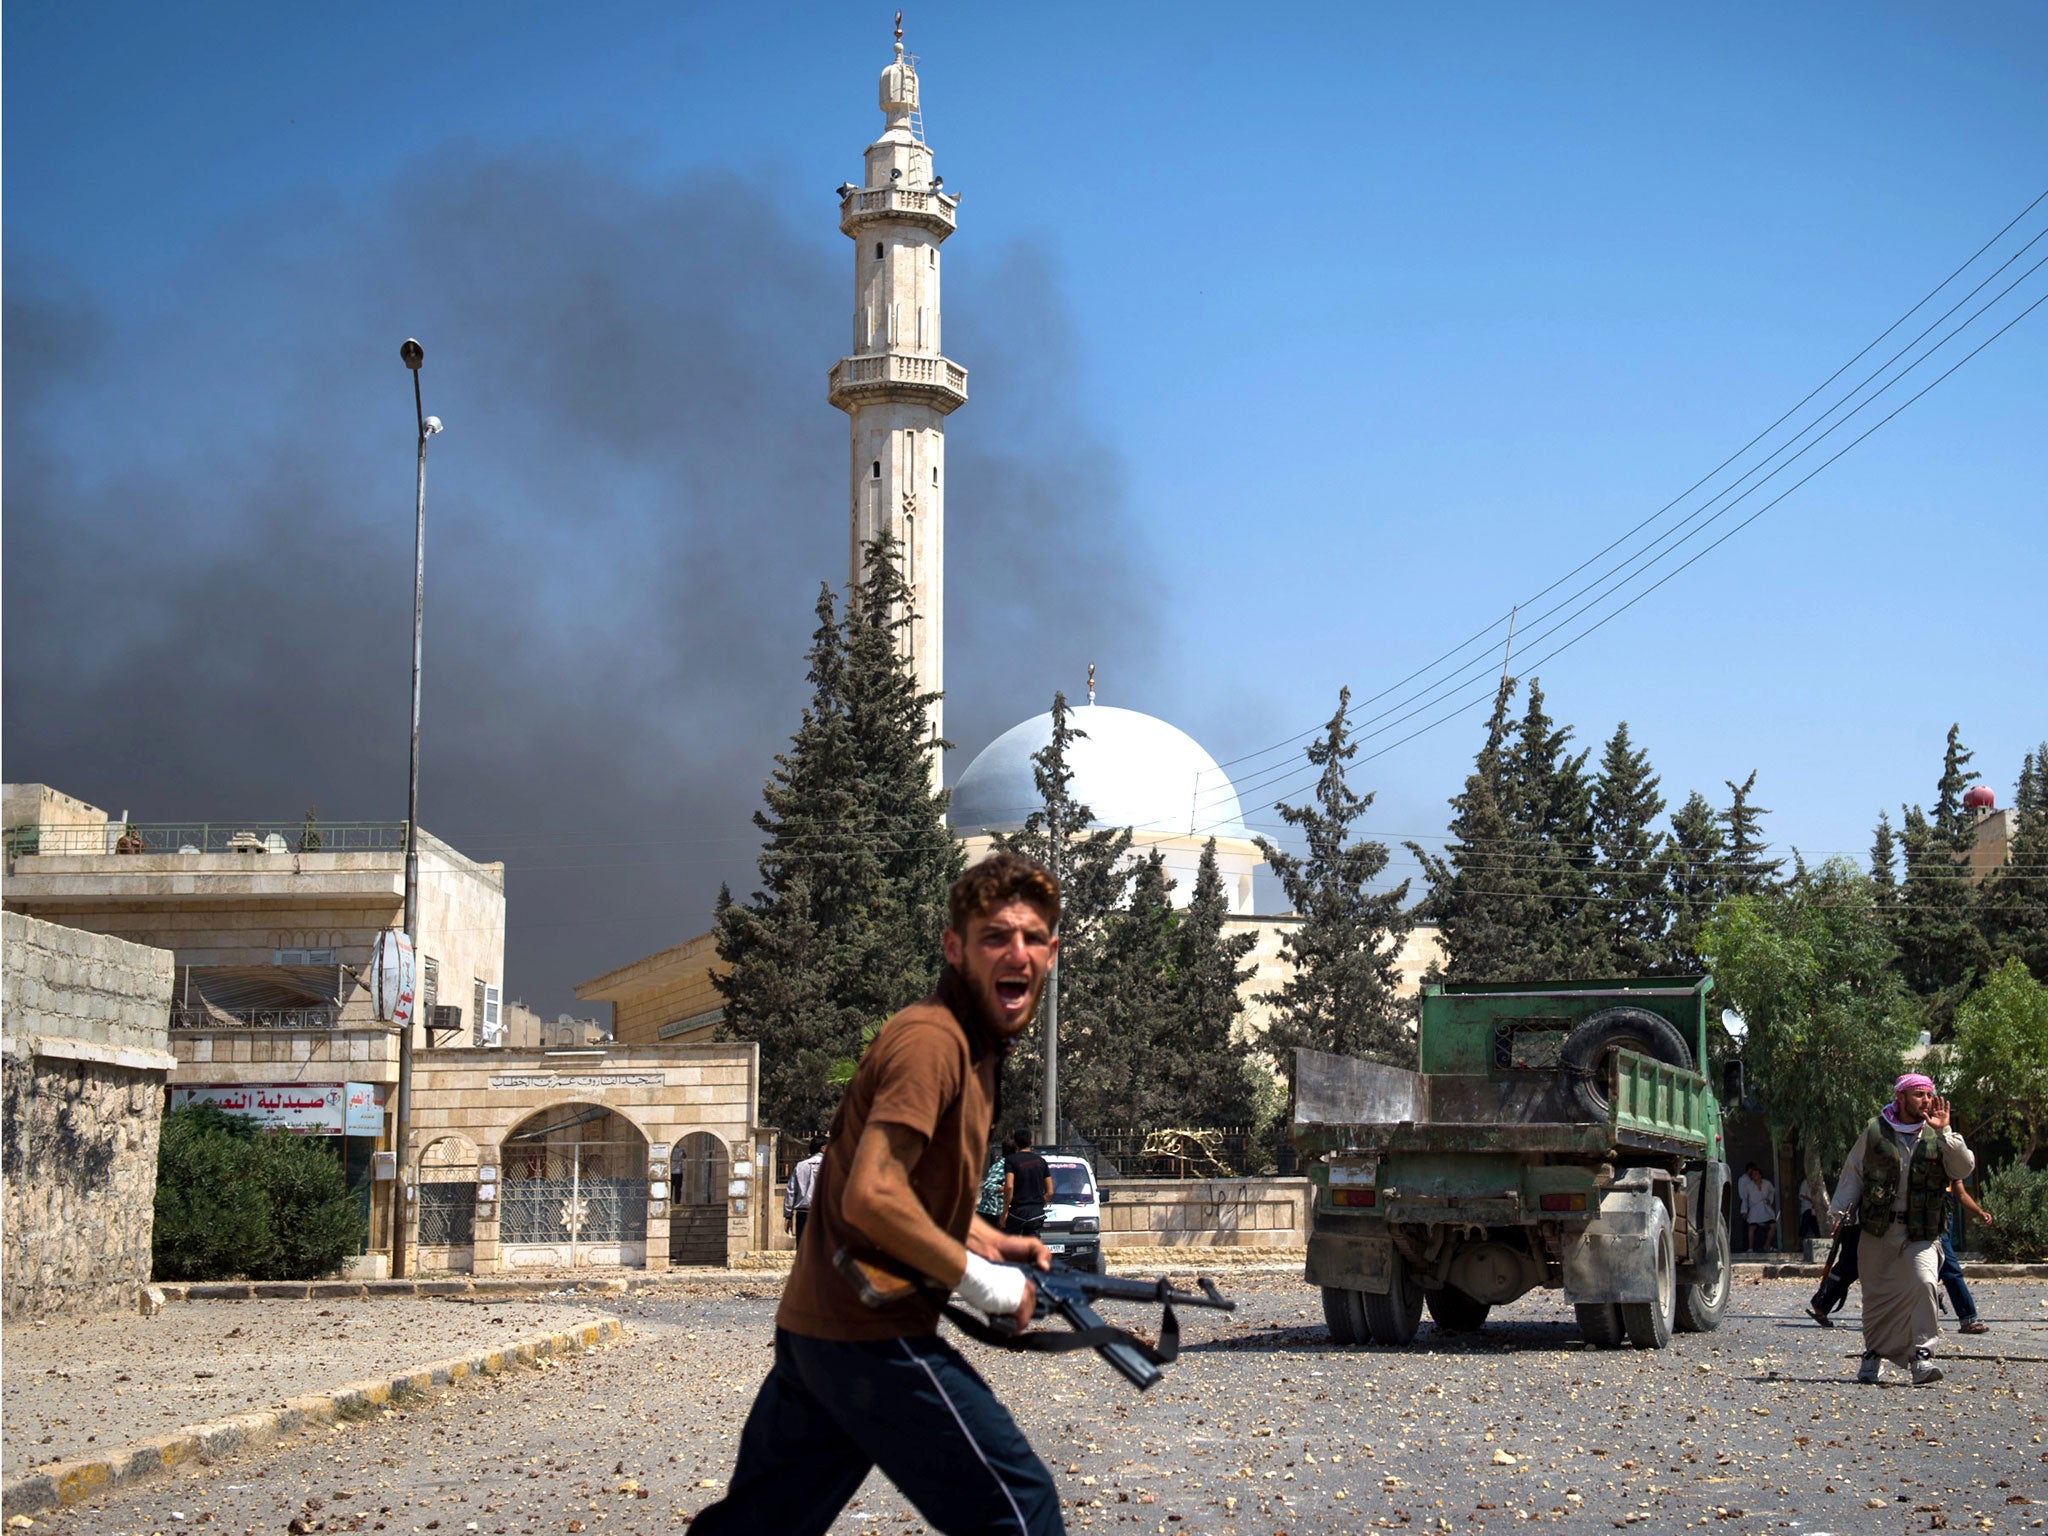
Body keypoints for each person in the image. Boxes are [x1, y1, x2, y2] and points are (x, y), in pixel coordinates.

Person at [690, 853, 1066, 1536]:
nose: (1018, 953)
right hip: (870, 1334)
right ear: (955, 949)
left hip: (820, 1330)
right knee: (1021, 1511)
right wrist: (987, 1284)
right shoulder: (934, 1042)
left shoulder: (977, 1047)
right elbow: (870, 1194)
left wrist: (990, 1238)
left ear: (1052, 950)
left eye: (1033, 938)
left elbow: (893, 1184)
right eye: (994, 937)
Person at [1829, 1073, 1975, 1385]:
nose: (1926, 1100)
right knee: (1877, 1296)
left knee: (1925, 1284)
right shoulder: (1875, 1130)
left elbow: (1963, 1168)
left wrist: (1945, 1131)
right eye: (1919, 1094)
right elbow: (1853, 1171)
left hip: (1920, 1232)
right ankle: (1873, 1355)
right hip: (1877, 1230)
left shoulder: (1938, 1134)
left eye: (1929, 1094)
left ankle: (1921, 1356)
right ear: (1901, 1098)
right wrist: (1840, 1211)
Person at [1938, 1177, 1994, 1336]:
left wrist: (1979, 1212)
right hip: (1925, 1222)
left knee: (1945, 1268)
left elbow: (1961, 1194)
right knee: (1950, 1268)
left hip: (1941, 1222)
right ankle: (1968, 1319)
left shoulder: (1950, 1164)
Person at [1002, 1128, 1054, 1239]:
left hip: (1017, 1211)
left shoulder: (1011, 1160)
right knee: (1032, 1247)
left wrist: (1005, 1211)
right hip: (1036, 1212)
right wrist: (1039, 1204)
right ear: (1031, 1142)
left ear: (1015, 1143)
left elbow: (1009, 1186)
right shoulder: (1041, 1161)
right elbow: (1050, 1191)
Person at [784, 1135, 828, 1247]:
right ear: (822, 1148)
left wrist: (788, 1215)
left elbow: (791, 1191)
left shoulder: (800, 1166)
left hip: (803, 1215)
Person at [1738, 1162, 1778, 1253]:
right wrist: (1744, 1211)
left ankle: (1767, 1245)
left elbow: (1772, 1191)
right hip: (1755, 1210)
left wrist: (1769, 1200)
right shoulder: (1749, 1186)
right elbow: (1744, 1198)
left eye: (1756, 1174)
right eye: (1753, 1174)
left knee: (1773, 1226)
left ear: (1760, 1175)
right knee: (1752, 1228)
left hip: (1765, 1208)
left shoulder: (1767, 1183)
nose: (1755, 1175)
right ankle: (1750, 1248)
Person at [977, 1136, 1017, 1222]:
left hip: (999, 1212)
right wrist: (1007, 1187)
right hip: (991, 1212)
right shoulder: (1001, 1166)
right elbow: (988, 1186)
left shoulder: (1010, 1165)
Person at [1798, 1167, 1831, 1244]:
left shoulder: (1819, 1184)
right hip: (1807, 1208)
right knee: (1804, 1226)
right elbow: (1802, 1194)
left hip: (1815, 1210)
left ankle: (1822, 1242)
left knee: (1815, 1226)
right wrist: (1812, 1201)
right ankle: (1798, 1244)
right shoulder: (1805, 1182)